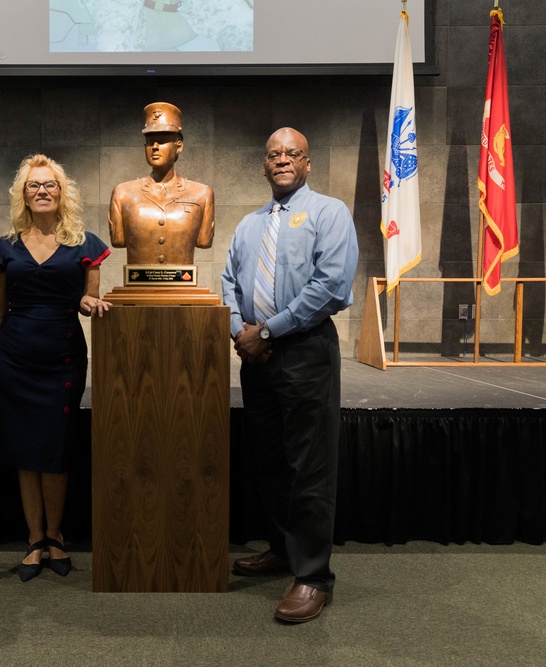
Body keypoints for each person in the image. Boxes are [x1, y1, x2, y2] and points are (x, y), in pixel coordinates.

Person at [221, 128, 359, 623]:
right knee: (271, 462)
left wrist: (270, 332)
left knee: (309, 466)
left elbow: (332, 286)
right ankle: (282, 550)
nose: (282, 160)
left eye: (292, 153)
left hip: (304, 352)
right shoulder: (248, 224)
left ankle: (313, 576)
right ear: (264, 165)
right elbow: (228, 283)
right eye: (274, 154)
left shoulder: (329, 213)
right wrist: (241, 332)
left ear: (307, 163)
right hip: (255, 357)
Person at [0, 154, 111, 581]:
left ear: (62, 193)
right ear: (24, 194)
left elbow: (86, 300)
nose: (42, 191)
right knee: (24, 451)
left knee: (55, 450)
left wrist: (89, 302)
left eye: (50, 184)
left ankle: (55, 537)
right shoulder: (6, 246)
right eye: (34, 185)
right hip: (14, 358)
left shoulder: (85, 243)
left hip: (62, 357)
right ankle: (34, 540)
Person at [108, 102, 214, 266]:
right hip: (137, 289)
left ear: (178, 146)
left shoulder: (202, 194)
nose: (155, 147)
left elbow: (204, 241)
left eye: (162, 140)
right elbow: (118, 240)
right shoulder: (123, 194)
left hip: (183, 288)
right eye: (150, 141)